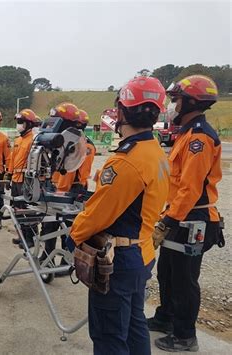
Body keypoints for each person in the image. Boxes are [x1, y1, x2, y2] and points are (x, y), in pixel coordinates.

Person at [70, 76, 169, 354]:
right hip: (143, 252)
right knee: (135, 324)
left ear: (123, 111)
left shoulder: (127, 160)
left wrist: (73, 236)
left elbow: (99, 213)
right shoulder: (156, 152)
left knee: (109, 335)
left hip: (119, 260)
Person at [148, 75, 225, 352]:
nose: (171, 105)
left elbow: (191, 189)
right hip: (181, 216)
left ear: (191, 101)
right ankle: (165, 318)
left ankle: (184, 335)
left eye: (176, 99)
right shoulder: (187, 132)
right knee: (166, 272)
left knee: (184, 279)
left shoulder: (199, 138)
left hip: (194, 220)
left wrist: (167, 222)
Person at [41, 107, 97, 276]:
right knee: (49, 225)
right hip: (54, 186)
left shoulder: (84, 146)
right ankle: (47, 256)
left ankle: (67, 260)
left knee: (69, 228)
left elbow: (74, 170)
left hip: (72, 190)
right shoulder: (58, 142)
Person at [5, 109, 40, 247]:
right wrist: (9, 175)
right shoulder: (18, 140)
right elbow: (13, 159)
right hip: (16, 179)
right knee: (17, 210)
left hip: (27, 180)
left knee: (28, 211)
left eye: (21, 122)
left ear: (29, 124)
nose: (18, 125)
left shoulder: (33, 140)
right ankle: (22, 237)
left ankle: (31, 238)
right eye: (18, 122)